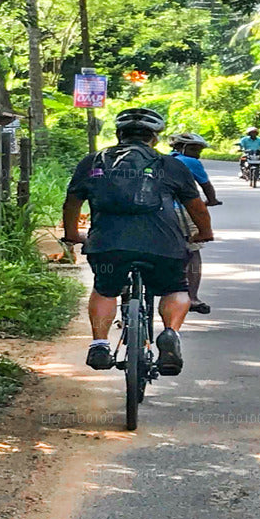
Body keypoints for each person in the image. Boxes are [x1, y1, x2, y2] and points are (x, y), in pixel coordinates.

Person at [61, 108, 214, 376]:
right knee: (176, 288)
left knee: (106, 288)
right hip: (163, 246)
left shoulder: (93, 162)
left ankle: (99, 344)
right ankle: (169, 334)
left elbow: (72, 203)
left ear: (119, 134)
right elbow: (198, 208)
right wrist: (204, 233)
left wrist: (73, 235)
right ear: (155, 137)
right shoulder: (171, 165)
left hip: (107, 245)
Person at [168, 132, 221, 316]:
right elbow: (206, 185)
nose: (197, 153)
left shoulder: (162, 160)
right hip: (183, 210)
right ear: (181, 148)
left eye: (199, 150)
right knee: (193, 250)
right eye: (193, 149)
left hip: (160, 211)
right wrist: (212, 200)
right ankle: (192, 297)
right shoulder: (191, 163)